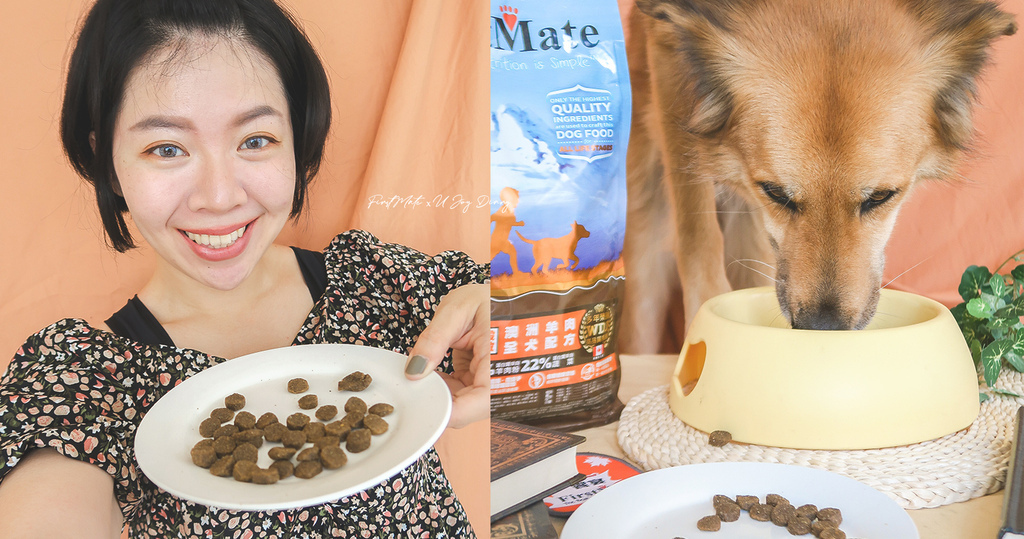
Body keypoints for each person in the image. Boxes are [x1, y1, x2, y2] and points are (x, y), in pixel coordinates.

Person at [0, 0, 488, 537]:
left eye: (256, 140)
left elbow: (562, 331)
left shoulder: (379, 284)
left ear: (298, 141)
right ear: (108, 165)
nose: (219, 197)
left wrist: (505, 316)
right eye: (166, 148)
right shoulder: (89, 376)